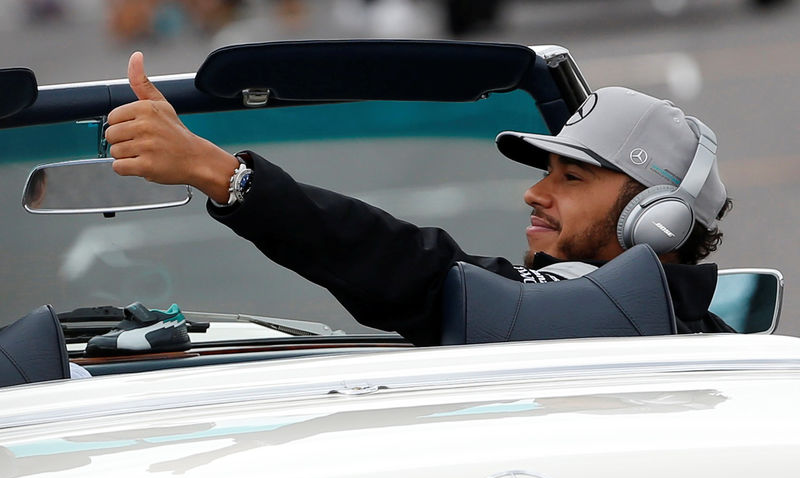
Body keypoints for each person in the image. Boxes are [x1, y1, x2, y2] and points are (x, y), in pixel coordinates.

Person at [105, 52, 734, 346]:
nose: (534, 191)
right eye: (547, 171)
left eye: (571, 179)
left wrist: (222, 174)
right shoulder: (714, 340)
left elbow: (411, 269)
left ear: (659, 220)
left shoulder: (576, 319)